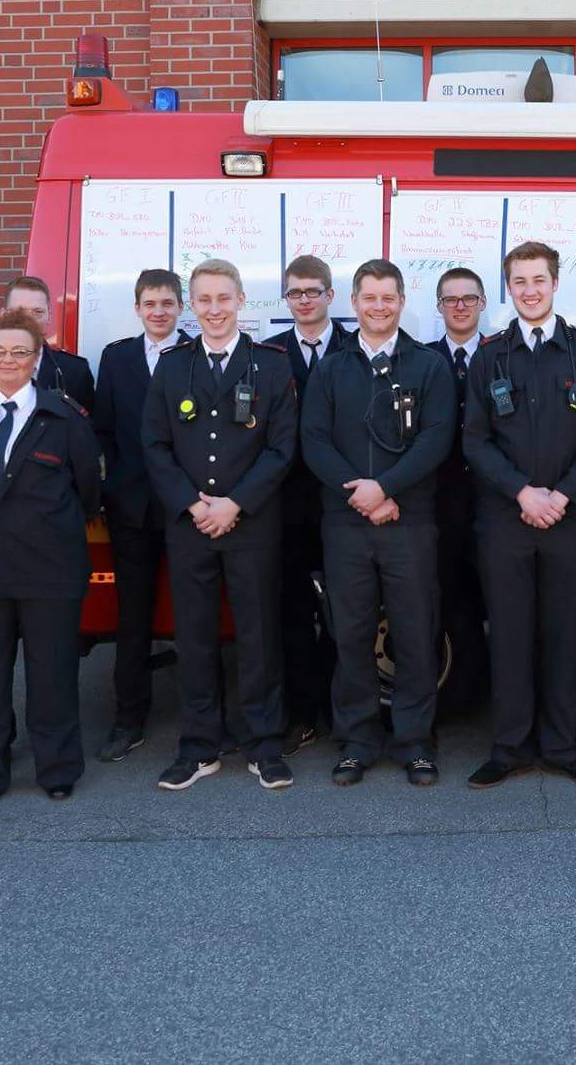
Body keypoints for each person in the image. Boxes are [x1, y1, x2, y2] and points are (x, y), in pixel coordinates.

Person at [462, 243, 576, 789]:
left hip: (569, 520)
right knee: (508, 635)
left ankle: (563, 747)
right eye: (520, 282)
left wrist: (563, 496)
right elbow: (474, 440)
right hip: (505, 521)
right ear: (509, 289)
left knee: (566, 635)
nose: (530, 290)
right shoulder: (490, 357)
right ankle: (509, 748)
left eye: (538, 280)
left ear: (555, 284)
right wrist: (523, 493)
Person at [143, 261, 300, 791]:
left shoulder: (270, 365)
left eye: (223, 298)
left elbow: (282, 448)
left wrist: (236, 503)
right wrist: (193, 504)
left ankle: (264, 745)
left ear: (241, 301)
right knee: (195, 638)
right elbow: (155, 444)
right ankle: (199, 747)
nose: (214, 309)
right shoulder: (173, 366)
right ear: (192, 305)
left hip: (250, 524)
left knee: (259, 637)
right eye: (204, 299)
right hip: (190, 526)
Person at [301, 259, 456, 787]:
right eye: (369, 297)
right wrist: (362, 495)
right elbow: (314, 441)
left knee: (415, 634)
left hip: (409, 524)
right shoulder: (331, 369)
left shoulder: (429, 366)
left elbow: (437, 438)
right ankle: (357, 741)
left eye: (388, 297)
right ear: (354, 302)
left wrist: (386, 488)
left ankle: (415, 743)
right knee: (351, 635)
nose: (379, 306)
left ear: (402, 301)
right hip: (346, 525)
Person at [0, 310, 103, 804]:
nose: (7, 360)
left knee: (52, 675)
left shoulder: (65, 418)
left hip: (49, 568)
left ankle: (57, 769)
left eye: (18, 352)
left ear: (36, 359)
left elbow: (88, 490)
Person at [90, 269, 191, 762]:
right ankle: (128, 718)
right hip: (131, 507)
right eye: (150, 303)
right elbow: (104, 430)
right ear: (137, 308)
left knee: (196, 615)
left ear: (181, 307)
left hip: (187, 506)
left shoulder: (198, 353)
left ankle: (203, 720)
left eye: (167, 303)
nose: (159, 311)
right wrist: (113, 487)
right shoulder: (117, 358)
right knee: (132, 618)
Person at [265, 255, 356, 751]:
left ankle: (342, 715)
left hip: (345, 502)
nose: (304, 300)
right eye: (295, 292)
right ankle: (301, 714)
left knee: (347, 615)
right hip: (289, 507)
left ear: (330, 296)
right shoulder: (271, 353)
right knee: (295, 615)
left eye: (312, 291)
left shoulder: (354, 348)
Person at [430, 266, 491, 714]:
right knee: (451, 605)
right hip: (440, 507)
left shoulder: (501, 355)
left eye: (469, 298)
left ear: (483, 303)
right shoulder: (424, 359)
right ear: (439, 307)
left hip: (495, 505)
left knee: (503, 606)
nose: (460, 306)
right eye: (451, 299)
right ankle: (461, 695)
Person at [0, 276, 95, 410]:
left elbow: (85, 426)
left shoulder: (75, 372)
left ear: (49, 317)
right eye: (19, 312)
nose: (28, 320)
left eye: (37, 312)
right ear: (3, 315)